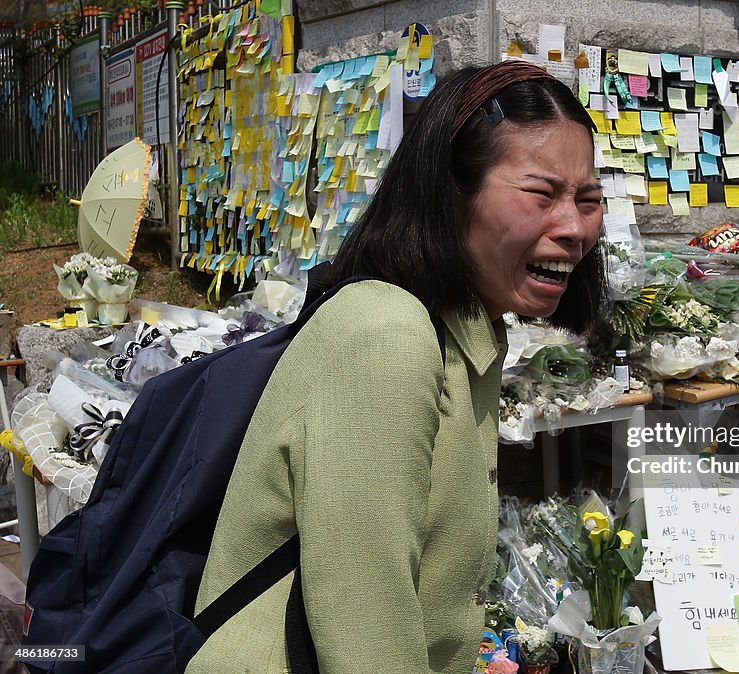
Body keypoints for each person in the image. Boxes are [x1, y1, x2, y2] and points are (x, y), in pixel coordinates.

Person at [186, 60, 606, 673]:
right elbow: (365, 618)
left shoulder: (468, 333)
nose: (573, 227)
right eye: (541, 195)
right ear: (449, 196)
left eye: (588, 199)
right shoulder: (386, 333)